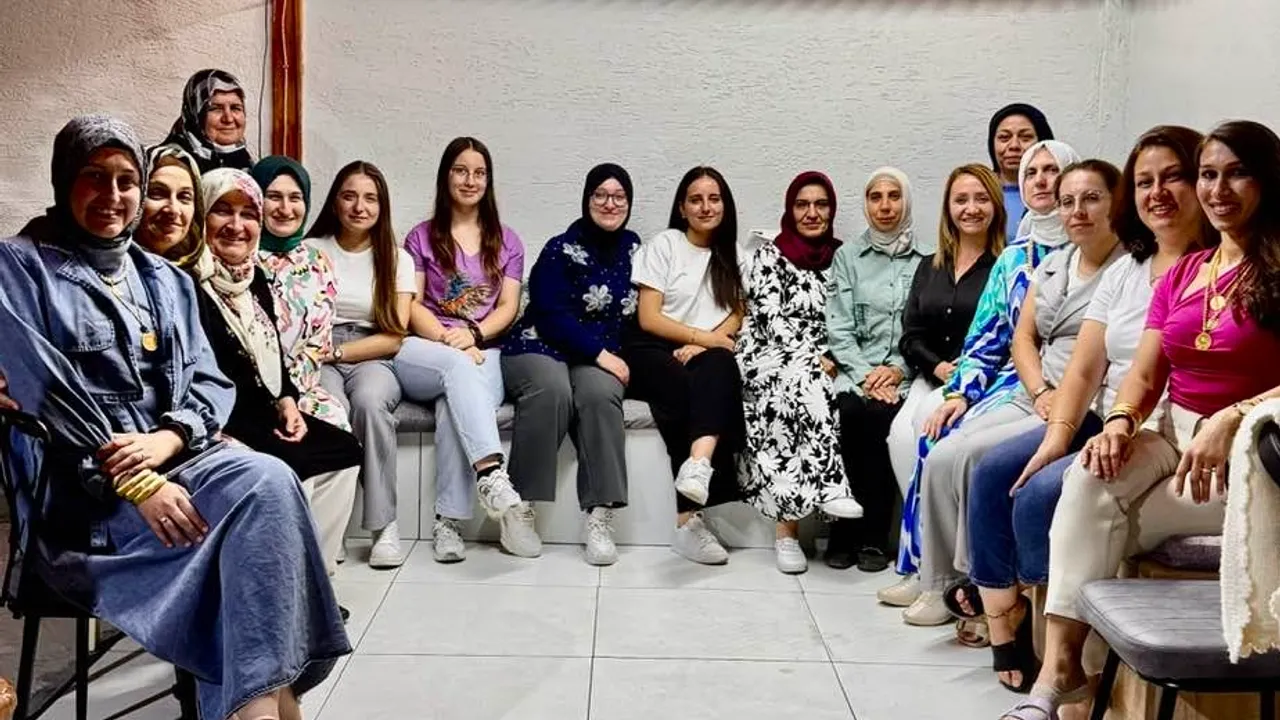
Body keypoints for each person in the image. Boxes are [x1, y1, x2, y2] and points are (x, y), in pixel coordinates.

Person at [0, 114, 348, 720]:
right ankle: (273, 707)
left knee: (271, 480)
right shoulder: (20, 267)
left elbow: (209, 382)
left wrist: (170, 437)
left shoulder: (162, 277)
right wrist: (139, 482)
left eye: (126, 180)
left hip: (178, 463)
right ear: (64, 179)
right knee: (248, 536)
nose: (113, 195)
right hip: (87, 501)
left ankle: (257, 709)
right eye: (94, 177)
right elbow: (46, 391)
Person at [998, 120, 1280, 720]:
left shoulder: (1278, 266)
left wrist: (1234, 415)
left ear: (1267, 181)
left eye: (1237, 174)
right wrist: (1120, 423)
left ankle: (1073, 683)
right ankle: (1061, 672)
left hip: (1248, 454)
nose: (1218, 190)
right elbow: (1146, 375)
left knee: (1097, 521)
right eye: (1208, 174)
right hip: (1172, 431)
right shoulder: (1184, 271)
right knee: (1090, 477)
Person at [967, 126, 1210, 694]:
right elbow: (1084, 367)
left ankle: (1059, 658)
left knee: (1041, 496)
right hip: (1115, 417)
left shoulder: (1215, 267)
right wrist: (1057, 437)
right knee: (994, 470)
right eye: (1145, 182)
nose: (1158, 193)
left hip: (1161, 427)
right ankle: (1015, 624)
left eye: (1174, 177)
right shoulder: (1128, 270)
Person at [884, 140, 1082, 624]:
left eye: (1051, 170)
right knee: (938, 438)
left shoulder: (1094, 250)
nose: (1040, 180)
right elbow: (986, 340)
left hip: (1063, 389)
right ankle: (936, 580)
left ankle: (972, 584)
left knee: (971, 456)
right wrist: (958, 394)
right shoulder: (1015, 258)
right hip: (1009, 383)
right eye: (1031, 172)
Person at [190, 167, 361, 584]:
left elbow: (275, 357)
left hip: (263, 407)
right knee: (291, 466)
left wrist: (287, 402)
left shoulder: (253, 277)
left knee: (344, 451)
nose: (236, 225)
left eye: (248, 214)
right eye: (222, 211)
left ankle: (313, 579)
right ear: (201, 215)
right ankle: (279, 588)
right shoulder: (189, 280)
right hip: (219, 417)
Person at [501, 164, 639, 566]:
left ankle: (600, 515)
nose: (610, 203)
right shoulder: (560, 248)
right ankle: (520, 509)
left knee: (600, 394)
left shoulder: (635, 250)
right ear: (586, 199)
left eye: (619, 196)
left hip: (595, 357)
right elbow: (549, 315)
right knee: (552, 390)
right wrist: (601, 355)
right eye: (601, 195)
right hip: (539, 344)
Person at [396, 137, 524, 563]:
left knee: (454, 404)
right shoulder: (420, 237)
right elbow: (411, 305)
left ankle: (447, 522)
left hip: (483, 349)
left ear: (489, 181)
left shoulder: (507, 241)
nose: (470, 180)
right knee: (457, 372)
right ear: (445, 176)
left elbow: (508, 306)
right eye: (461, 170)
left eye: (479, 173)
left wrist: (473, 334)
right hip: (425, 348)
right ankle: (492, 473)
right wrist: (449, 341)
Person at [738, 171, 864, 575]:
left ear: (832, 210)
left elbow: (852, 317)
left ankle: (819, 507)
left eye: (821, 204)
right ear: (790, 210)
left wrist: (833, 354)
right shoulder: (770, 255)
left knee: (820, 386)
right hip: (769, 353)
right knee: (792, 388)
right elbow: (769, 317)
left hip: (828, 357)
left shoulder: (843, 258)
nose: (812, 213)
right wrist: (812, 355)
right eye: (802, 205)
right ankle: (790, 529)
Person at [621, 166, 746, 565]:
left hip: (699, 349)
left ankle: (698, 465)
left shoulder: (734, 254)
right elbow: (648, 317)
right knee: (681, 386)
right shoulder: (665, 245)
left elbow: (738, 313)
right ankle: (688, 521)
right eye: (696, 199)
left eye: (714, 199)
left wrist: (706, 344)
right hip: (649, 346)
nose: (706, 207)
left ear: (725, 205)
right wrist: (702, 338)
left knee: (723, 367)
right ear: (682, 207)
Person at [309, 161, 415, 569]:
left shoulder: (397, 258)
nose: (359, 207)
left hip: (374, 352)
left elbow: (395, 334)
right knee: (330, 409)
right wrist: (323, 353)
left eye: (370, 198)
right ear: (335, 202)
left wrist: (340, 353)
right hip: (318, 349)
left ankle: (383, 526)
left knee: (370, 404)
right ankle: (328, 529)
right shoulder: (312, 250)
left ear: (381, 206)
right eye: (349, 196)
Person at [824, 167, 927, 572]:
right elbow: (839, 326)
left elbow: (923, 329)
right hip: (855, 372)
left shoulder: (929, 260)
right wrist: (866, 375)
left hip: (903, 375)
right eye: (875, 197)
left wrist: (897, 370)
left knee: (884, 418)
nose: (885, 206)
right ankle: (842, 532)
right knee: (850, 414)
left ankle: (872, 537)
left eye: (893, 196)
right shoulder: (848, 257)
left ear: (907, 201)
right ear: (866, 205)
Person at [889, 164, 1005, 503]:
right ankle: (919, 520)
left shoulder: (1006, 265)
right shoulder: (929, 266)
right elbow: (911, 336)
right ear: (948, 209)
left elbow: (1008, 335)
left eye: (981, 198)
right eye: (961, 200)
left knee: (930, 429)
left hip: (979, 383)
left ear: (995, 205)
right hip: (931, 375)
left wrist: (964, 372)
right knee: (899, 437)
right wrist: (937, 367)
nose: (971, 208)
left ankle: (940, 521)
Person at [252, 155, 351, 432]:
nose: (285, 209)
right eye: (274, 197)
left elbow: (317, 345)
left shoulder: (317, 262)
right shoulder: (239, 257)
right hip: (247, 394)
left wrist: (290, 397)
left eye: (295, 198)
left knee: (339, 429)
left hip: (301, 392)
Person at [163, 69, 253, 173]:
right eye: (216, 109)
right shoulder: (173, 162)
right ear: (195, 116)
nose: (228, 119)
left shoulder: (241, 158)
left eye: (235, 108)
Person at [133, 144, 206, 270]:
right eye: (157, 194)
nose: (173, 209)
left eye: (184, 197)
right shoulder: (110, 272)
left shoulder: (197, 275)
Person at [988, 104, 1054, 240]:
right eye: (1004, 138)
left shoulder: (1060, 193)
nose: (1014, 146)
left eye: (1025, 137)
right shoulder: (979, 190)